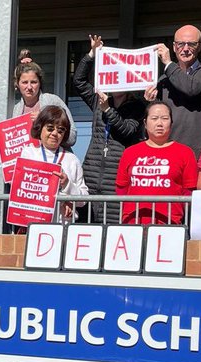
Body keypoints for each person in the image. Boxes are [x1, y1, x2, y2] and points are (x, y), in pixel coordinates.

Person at [72, 35, 146, 224]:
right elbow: (79, 81)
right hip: (92, 171)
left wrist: (108, 110)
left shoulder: (137, 107)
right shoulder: (99, 99)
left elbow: (127, 132)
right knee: (87, 225)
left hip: (116, 174)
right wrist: (91, 55)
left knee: (112, 226)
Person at [116, 101, 198, 225]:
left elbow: (189, 191)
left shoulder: (185, 153)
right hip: (133, 223)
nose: (159, 123)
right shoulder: (130, 152)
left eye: (165, 118)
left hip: (169, 223)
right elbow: (121, 188)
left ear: (171, 123)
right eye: (154, 118)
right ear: (145, 123)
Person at [147, 24, 201, 157]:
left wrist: (169, 64)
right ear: (174, 47)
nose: (185, 49)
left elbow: (191, 89)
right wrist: (151, 101)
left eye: (191, 44)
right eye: (181, 44)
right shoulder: (164, 79)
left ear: (200, 46)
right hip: (170, 150)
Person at [18, 105, 88, 221]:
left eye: (60, 130)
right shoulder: (28, 153)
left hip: (63, 225)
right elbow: (20, 190)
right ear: (40, 128)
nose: (55, 133)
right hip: (33, 223)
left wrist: (67, 185)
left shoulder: (72, 160)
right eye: (50, 128)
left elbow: (84, 199)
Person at [12, 62, 76, 148]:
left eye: (34, 82)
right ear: (17, 84)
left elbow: (72, 137)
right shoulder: (16, 109)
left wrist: (45, 119)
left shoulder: (53, 101)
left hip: (54, 158)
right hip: (28, 159)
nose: (29, 87)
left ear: (40, 83)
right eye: (24, 82)